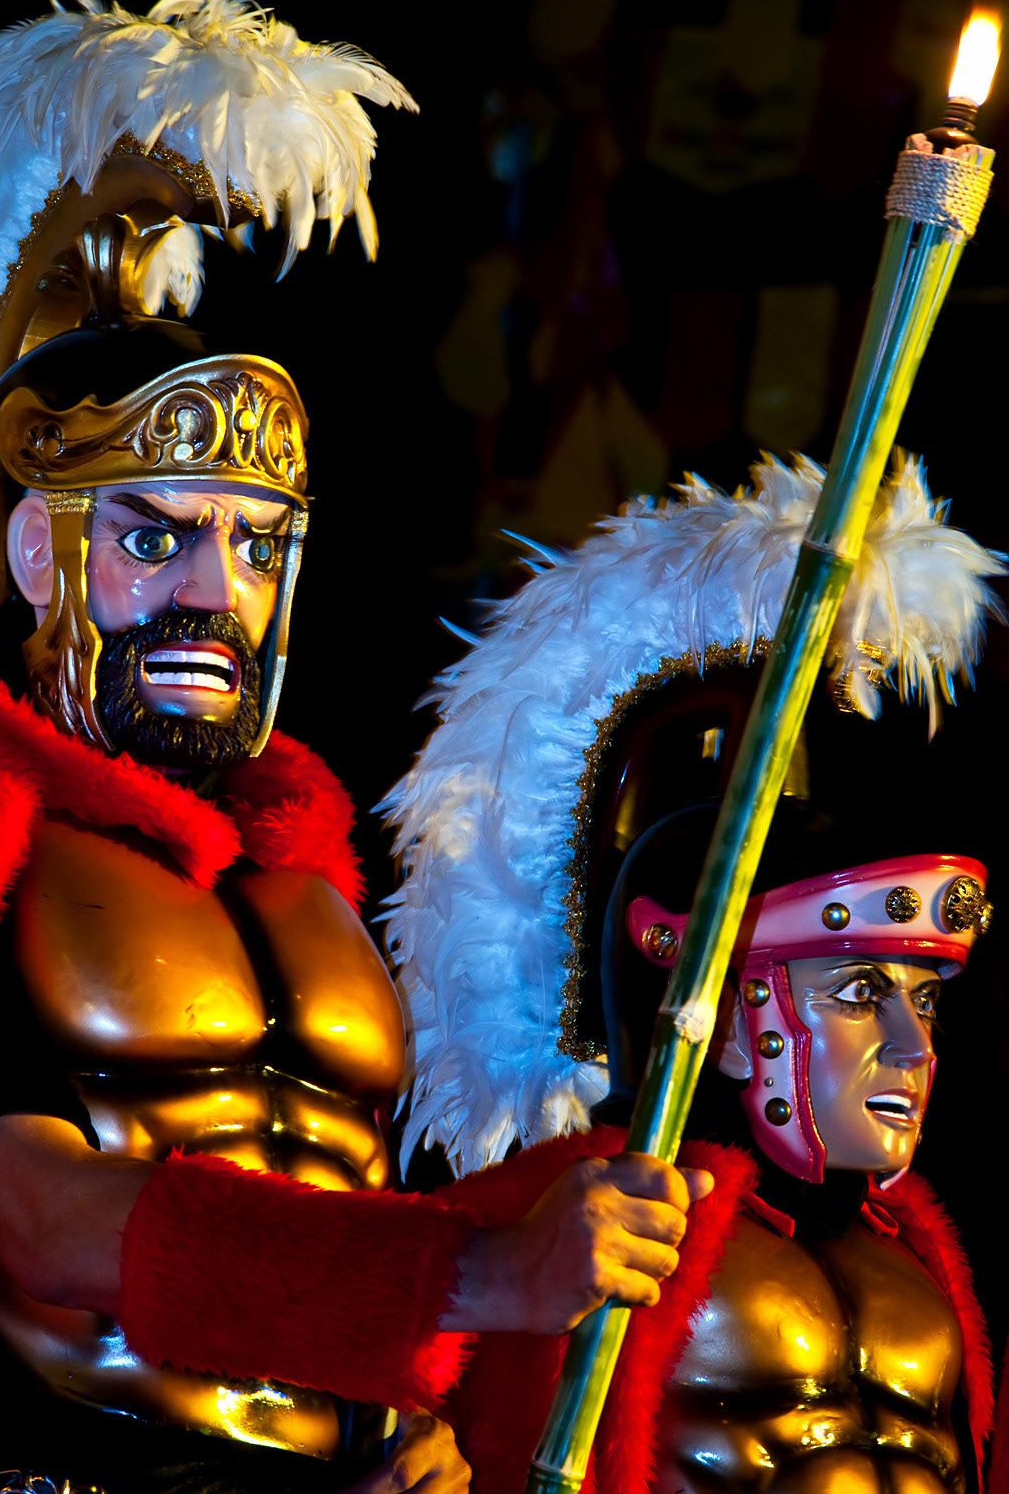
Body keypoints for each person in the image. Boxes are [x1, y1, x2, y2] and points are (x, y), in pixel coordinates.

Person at [0, 0, 703, 1494]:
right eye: (157, 537)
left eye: (258, 543)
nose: (217, 592)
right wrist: (474, 1279)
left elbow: (342, 1196)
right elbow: (41, 1218)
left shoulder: (309, 875)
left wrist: (422, 1413)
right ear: (38, 555)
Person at [381, 454, 1001, 1491]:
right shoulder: (549, 1228)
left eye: (926, 1000)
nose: (913, 1046)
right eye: (858, 994)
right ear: (715, 1004)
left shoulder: (920, 1259)